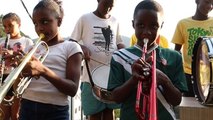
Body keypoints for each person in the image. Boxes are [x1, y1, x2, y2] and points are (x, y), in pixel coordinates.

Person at [107, 0, 188, 120]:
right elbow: (115, 98)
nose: (147, 32)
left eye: (154, 26)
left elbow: (177, 100)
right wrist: (134, 79)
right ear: (133, 24)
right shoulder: (119, 57)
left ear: (161, 26)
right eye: (140, 25)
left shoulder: (174, 57)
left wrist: (165, 81)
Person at [18, 0, 83, 120]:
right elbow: (20, 85)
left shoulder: (71, 47)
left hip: (55, 111)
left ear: (59, 21)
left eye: (45, 21)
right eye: (35, 23)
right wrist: (19, 68)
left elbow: (73, 89)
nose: (40, 28)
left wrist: (43, 71)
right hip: (27, 106)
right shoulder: (31, 48)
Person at [71, 0, 125, 119]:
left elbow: (119, 42)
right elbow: (72, 42)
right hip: (90, 79)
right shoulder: (85, 19)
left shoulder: (115, 21)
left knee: (109, 113)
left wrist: (124, 52)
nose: (108, 8)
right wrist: (82, 47)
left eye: (111, 6)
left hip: (111, 78)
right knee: (94, 114)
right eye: (105, 4)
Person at [171, 0, 213, 97]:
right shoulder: (183, 24)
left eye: (212, 4)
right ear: (197, 1)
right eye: (207, 2)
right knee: (188, 108)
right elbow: (176, 51)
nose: (210, 6)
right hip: (188, 76)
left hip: (209, 76)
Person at [0, 12, 34, 120]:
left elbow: (31, 61)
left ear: (19, 24)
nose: (7, 29)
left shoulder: (27, 41)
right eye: (4, 26)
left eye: (10, 25)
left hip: (17, 79)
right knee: (4, 115)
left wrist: (12, 54)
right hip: (3, 79)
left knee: (16, 115)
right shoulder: (1, 41)